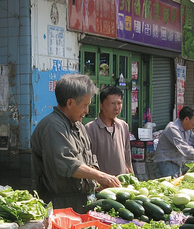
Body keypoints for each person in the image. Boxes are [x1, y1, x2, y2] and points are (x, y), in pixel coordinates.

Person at [30, 74, 121, 213]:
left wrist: (96, 183)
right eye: (84, 105)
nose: (87, 111)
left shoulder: (78, 126)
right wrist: (102, 176)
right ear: (70, 103)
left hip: (80, 201)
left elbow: (89, 160)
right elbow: (67, 164)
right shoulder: (53, 126)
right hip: (59, 205)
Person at [84, 86, 132, 176]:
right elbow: (88, 160)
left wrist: (131, 176)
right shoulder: (90, 128)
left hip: (122, 181)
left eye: (119, 103)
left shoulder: (123, 126)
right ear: (101, 105)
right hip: (101, 184)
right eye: (112, 103)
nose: (116, 107)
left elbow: (127, 154)